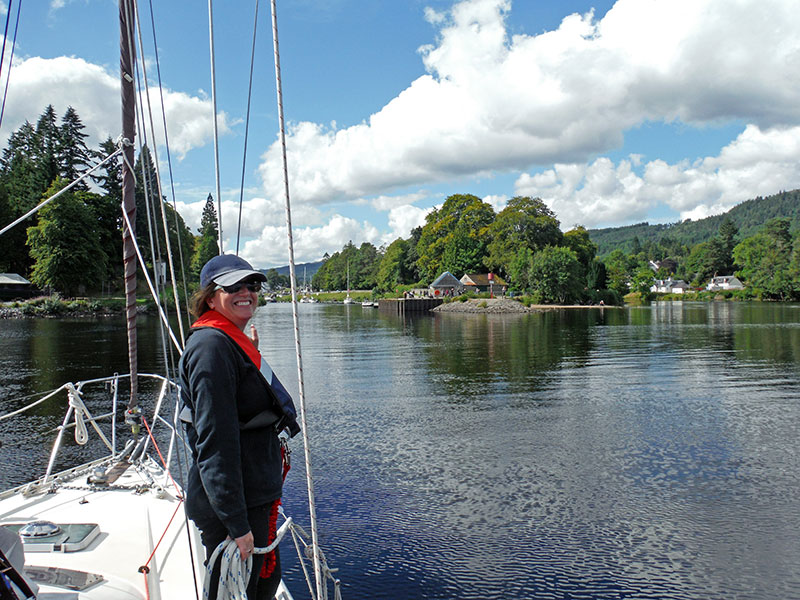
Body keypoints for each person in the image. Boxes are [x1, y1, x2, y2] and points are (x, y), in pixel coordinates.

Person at [179, 254, 300, 599]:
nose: (246, 292)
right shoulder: (211, 348)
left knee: (264, 583)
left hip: (252, 494)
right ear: (210, 296)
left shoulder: (229, 343)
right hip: (236, 505)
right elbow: (215, 441)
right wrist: (236, 523)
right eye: (234, 286)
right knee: (247, 589)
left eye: (253, 285)